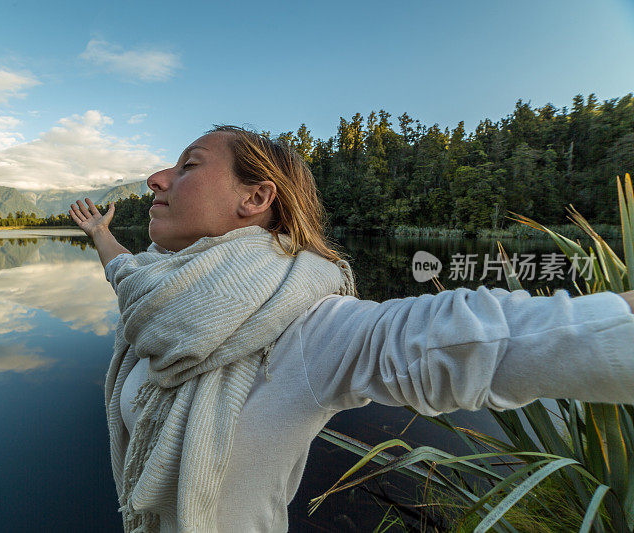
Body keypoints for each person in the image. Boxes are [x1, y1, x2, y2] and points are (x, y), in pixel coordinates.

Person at [69, 125, 634, 533]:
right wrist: (99, 233)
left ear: (256, 197)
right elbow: (124, 270)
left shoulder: (309, 328)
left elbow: (471, 340)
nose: (156, 177)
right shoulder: (157, 297)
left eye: (188, 165)